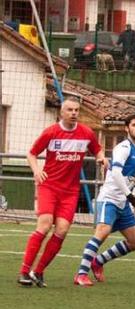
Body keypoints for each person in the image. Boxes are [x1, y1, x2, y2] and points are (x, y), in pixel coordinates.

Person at [19, 98, 107, 287]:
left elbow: (97, 150)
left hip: (70, 191)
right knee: (44, 225)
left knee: (62, 230)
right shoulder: (51, 132)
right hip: (49, 186)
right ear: (62, 112)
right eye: (70, 110)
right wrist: (36, 171)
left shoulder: (86, 133)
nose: (74, 113)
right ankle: (24, 272)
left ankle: (38, 272)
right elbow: (31, 153)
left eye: (76, 110)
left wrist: (101, 158)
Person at [73, 114, 135, 286]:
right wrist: (129, 194)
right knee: (102, 232)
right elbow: (115, 172)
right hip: (109, 199)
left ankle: (98, 262)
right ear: (126, 128)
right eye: (134, 125)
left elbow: (128, 177)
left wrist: (131, 195)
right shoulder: (123, 147)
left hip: (122, 203)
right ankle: (81, 274)